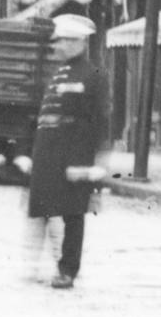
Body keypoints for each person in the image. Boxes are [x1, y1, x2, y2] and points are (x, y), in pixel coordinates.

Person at [25, 46, 109, 288]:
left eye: (67, 40)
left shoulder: (92, 73)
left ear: (80, 41)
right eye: (61, 39)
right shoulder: (57, 72)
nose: (61, 44)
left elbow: (99, 119)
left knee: (73, 213)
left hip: (75, 152)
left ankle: (68, 269)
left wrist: (93, 160)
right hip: (49, 152)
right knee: (42, 205)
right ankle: (41, 261)